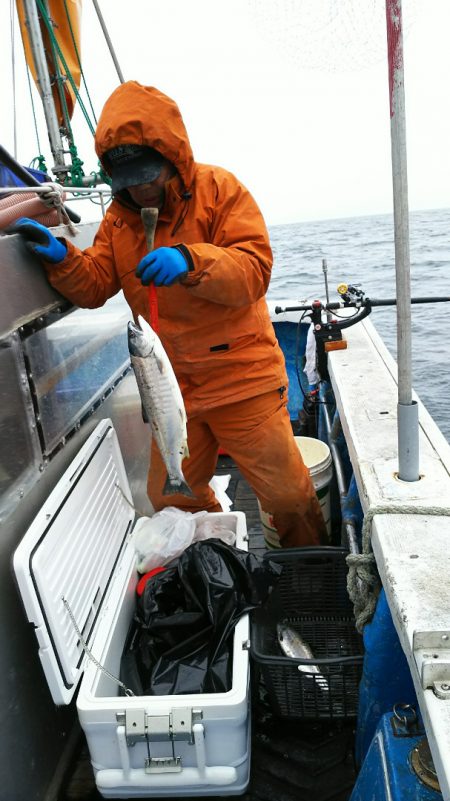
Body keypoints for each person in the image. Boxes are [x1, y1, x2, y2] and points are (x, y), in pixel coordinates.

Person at [8, 80, 327, 547]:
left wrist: (192, 262)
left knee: (288, 496)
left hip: (243, 380)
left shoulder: (220, 191)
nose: (139, 190)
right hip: (172, 388)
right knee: (172, 499)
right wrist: (62, 258)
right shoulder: (118, 222)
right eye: (127, 181)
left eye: (147, 175)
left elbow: (254, 271)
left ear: (172, 159)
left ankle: (308, 574)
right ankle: (217, 566)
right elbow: (96, 284)